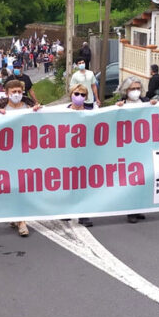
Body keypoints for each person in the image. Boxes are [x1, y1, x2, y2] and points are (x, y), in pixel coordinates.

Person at [0, 80, 41, 237]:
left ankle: (22, 221)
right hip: (5, 154)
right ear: (6, 93)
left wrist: (39, 112)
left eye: (19, 91)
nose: (16, 95)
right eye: (13, 92)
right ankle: (15, 215)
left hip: (26, 153)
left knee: (22, 185)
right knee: (10, 186)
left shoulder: (29, 106)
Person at [116, 77, 157, 223]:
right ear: (126, 91)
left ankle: (139, 208)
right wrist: (117, 109)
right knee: (131, 180)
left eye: (138, 88)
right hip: (128, 149)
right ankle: (130, 210)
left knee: (143, 179)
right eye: (132, 89)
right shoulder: (121, 105)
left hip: (144, 148)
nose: (136, 91)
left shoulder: (146, 102)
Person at [67, 83, 94, 228]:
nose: (79, 97)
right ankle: (67, 211)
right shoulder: (60, 112)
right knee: (67, 183)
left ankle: (84, 214)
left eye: (83, 95)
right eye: (76, 94)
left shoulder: (92, 111)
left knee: (84, 184)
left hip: (85, 153)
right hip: (67, 154)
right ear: (71, 94)